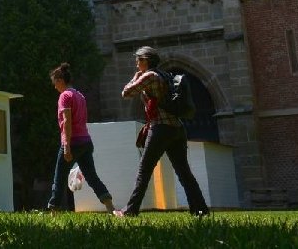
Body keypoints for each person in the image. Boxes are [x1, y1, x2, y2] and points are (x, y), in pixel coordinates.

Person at [113, 46, 210, 217]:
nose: (136, 63)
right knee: (184, 172)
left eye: (139, 59)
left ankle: (130, 210)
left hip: (160, 128)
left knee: (144, 170)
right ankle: (200, 209)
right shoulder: (165, 75)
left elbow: (126, 93)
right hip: (177, 129)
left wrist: (136, 77)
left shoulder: (149, 76)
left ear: (146, 61)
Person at [45, 62, 114, 213]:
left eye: (54, 82)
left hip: (73, 142)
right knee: (92, 177)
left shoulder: (65, 96)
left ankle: (53, 211)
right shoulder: (80, 95)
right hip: (86, 142)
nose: (54, 86)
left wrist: (67, 146)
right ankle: (110, 206)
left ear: (60, 80)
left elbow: (67, 122)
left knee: (59, 178)